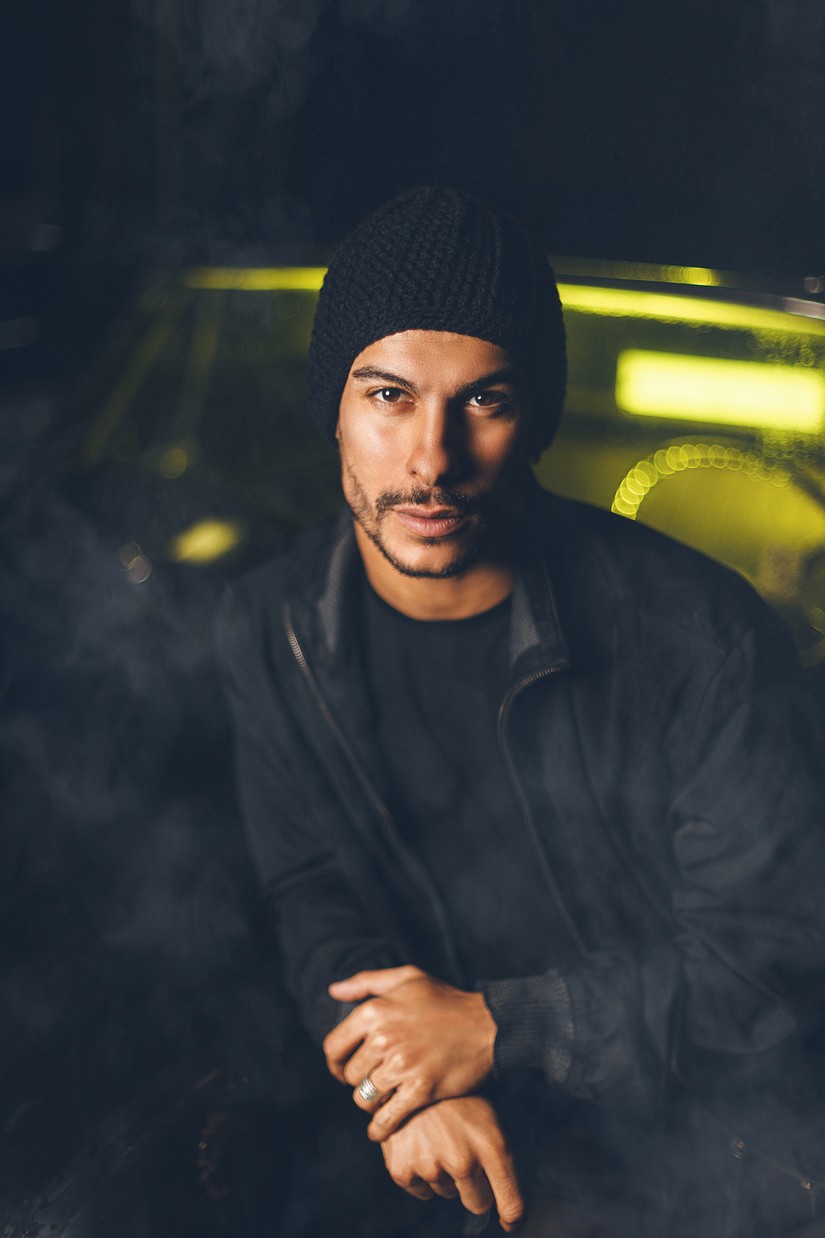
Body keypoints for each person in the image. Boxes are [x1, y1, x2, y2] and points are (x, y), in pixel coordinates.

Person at [217, 185, 825, 1237]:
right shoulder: (273, 623)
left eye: (484, 401)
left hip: (696, 1155)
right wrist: (409, 1081)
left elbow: (769, 966)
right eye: (389, 395)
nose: (431, 459)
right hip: (434, 1144)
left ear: (533, 418)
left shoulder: (697, 636)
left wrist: (500, 1026)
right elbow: (311, 888)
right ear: (335, 408)